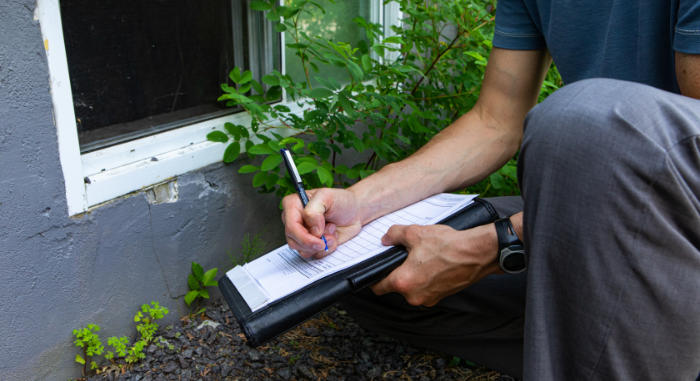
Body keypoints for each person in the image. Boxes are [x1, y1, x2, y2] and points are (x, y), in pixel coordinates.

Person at [281, 1, 700, 379]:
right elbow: (495, 121)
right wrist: (361, 203)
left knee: (583, 120)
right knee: (378, 277)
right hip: (602, 219)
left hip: (680, 226)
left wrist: (491, 247)